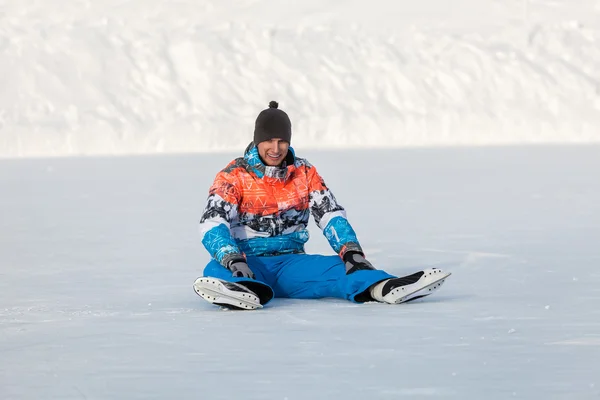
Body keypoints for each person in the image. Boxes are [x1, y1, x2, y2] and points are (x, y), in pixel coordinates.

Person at [194, 101, 450, 310]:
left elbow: (329, 214)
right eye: (269, 141)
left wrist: (351, 252)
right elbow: (212, 222)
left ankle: (383, 288)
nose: (276, 148)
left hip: (291, 265)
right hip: (247, 262)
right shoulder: (233, 175)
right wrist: (232, 258)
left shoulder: (303, 172)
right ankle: (245, 291)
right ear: (257, 140)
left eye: (282, 141)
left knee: (343, 268)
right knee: (214, 268)